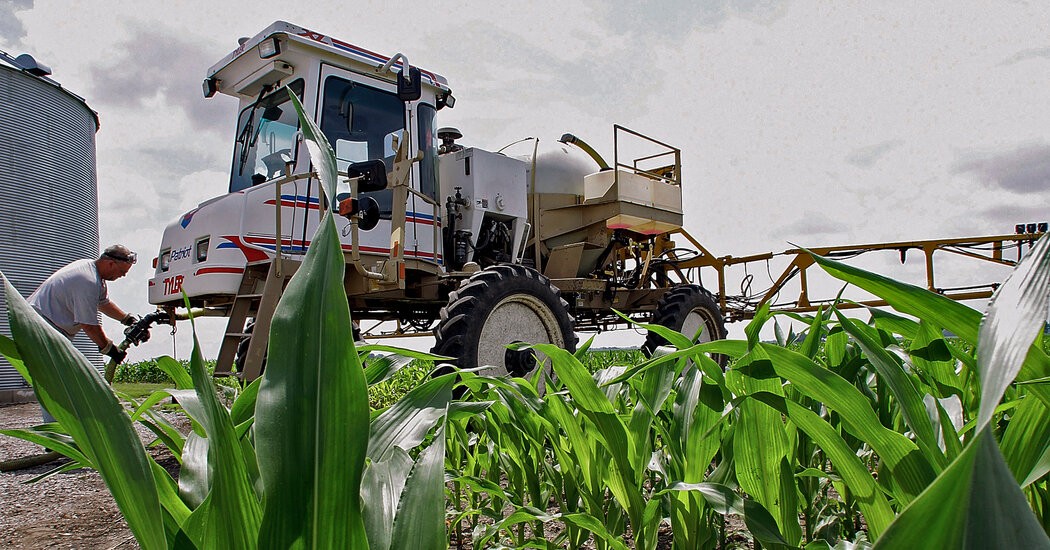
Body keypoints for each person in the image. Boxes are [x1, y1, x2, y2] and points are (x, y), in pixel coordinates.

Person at [27, 245, 140, 410]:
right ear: (110, 264)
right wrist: (110, 349)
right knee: (56, 385)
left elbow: (103, 303)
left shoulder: (93, 274)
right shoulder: (87, 280)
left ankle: (61, 421)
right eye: (122, 272)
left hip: (52, 328)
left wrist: (127, 319)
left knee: (61, 382)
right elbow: (89, 325)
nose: (122, 276)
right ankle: (56, 424)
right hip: (42, 327)